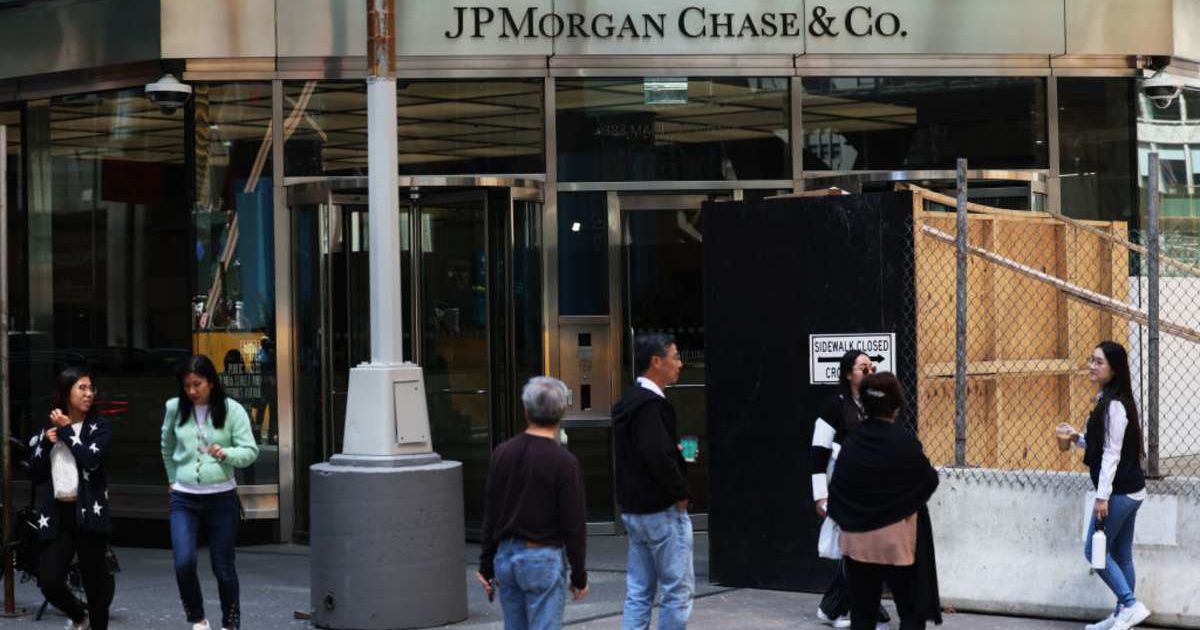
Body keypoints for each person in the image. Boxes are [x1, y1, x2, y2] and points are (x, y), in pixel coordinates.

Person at [828, 372, 942, 630]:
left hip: (857, 543)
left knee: (862, 612)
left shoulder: (852, 443)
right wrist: (902, 507)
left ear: (864, 406)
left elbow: (838, 489)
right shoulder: (904, 443)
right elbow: (928, 481)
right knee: (910, 612)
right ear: (897, 405)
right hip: (896, 541)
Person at [476, 376, 589, 629]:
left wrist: (485, 564)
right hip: (543, 556)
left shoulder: (502, 453)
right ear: (561, 412)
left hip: (506, 555)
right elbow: (574, 525)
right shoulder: (564, 462)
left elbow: (491, 513)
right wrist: (579, 574)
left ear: (525, 411)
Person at [161, 355, 260, 630]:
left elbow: (250, 451)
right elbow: (166, 446)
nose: (192, 391)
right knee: (183, 562)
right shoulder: (174, 408)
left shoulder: (232, 410)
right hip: (184, 497)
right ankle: (197, 618)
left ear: (211, 383)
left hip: (221, 498)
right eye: (187, 386)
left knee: (223, 567)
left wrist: (225, 453)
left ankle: (231, 622)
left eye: (197, 384)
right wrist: (172, 479)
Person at [1058, 342, 1151, 630]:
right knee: (1121, 555)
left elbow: (1112, 454)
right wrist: (1077, 438)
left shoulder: (1114, 405)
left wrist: (1102, 496)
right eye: (1091, 360)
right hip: (1130, 491)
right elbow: (1104, 446)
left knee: (1093, 552)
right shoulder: (1108, 399)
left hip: (1120, 493)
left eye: (1099, 362)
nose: (1092, 366)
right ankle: (1122, 614)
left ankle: (1131, 604)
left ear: (1113, 368)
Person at [612, 333, 693, 630]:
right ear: (656, 362)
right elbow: (657, 455)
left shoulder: (629, 402)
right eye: (674, 356)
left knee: (639, 590)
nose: (680, 364)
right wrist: (681, 492)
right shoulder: (650, 407)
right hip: (661, 511)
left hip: (635, 511)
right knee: (676, 590)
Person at [27, 366, 116, 630]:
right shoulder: (50, 428)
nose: (89, 394)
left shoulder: (99, 427)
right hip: (58, 515)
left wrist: (66, 432)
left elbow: (90, 460)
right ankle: (79, 617)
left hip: (88, 512)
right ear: (66, 394)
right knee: (49, 580)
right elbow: (35, 473)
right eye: (82, 388)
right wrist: (45, 442)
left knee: (95, 586)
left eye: (91, 388)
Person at [811, 351, 889, 630]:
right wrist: (821, 495)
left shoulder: (874, 405)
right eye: (862, 368)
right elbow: (818, 453)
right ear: (848, 374)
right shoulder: (835, 406)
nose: (869, 372)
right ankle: (857, 610)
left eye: (872, 367)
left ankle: (833, 608)